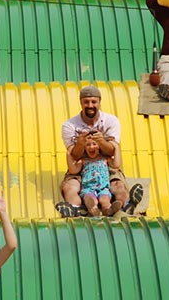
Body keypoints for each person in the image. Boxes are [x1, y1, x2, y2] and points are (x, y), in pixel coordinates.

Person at [58, 86, 142, 218]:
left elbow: (113, 152)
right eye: (86, 102)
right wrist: (80, 144)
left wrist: (101, 141)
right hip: (82, 165)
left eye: (93, 102)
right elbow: (73, 155)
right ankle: (75, 208)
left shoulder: (111, 121)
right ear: (81, 103)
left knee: (118, 185)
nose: (90, 105)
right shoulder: (69, 125)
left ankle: (125, 205)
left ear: (99, 102)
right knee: (70, 186)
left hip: (104, 165)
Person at [68, 135, 112, 217]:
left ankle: (108, 210)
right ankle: (93, 210)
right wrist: (69, 154)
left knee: (105, 200)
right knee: (91, 200)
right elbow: (73, 170)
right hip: (88, 188)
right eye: (88, 145)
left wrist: (116, 147)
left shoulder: (105, 159)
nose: (91, 146)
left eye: (94, 144)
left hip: (103, 187)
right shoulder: (84, 161)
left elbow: (116, 164)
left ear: (99, 146)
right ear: (84, 148)